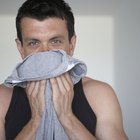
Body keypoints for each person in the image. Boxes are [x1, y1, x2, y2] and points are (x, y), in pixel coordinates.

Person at [0, 0, 128, 139]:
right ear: (21, 48)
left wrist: (67, 118)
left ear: (71, 45)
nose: (45, 53)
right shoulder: (2, 98)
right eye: (33, 43)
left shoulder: (99, 94)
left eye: (55, 41)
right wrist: (35, 121)